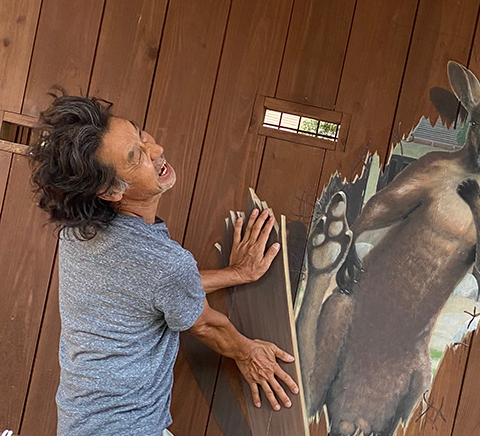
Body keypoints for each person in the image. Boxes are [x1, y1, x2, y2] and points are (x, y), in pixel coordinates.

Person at [28, 93, 298, 436]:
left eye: (141, 135)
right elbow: (203, 323)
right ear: (111, 190)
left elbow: (155, 290)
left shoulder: (78, 234)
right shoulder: (164, 264)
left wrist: (237, 274)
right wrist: (248, 353)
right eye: (134, 156)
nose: (155, 151)